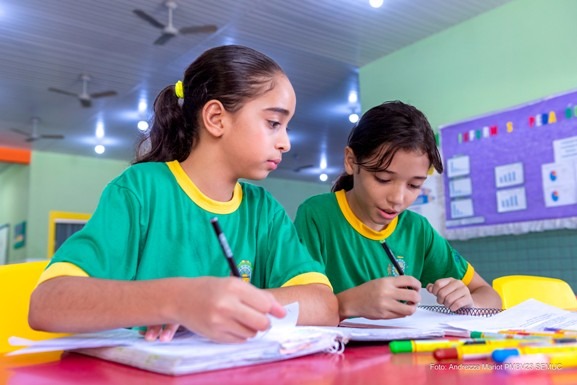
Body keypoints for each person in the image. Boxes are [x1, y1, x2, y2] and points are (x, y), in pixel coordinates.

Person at [29, 45, 338, 343]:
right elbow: (47, 304)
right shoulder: (141, 189)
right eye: (273, 123)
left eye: (286, 126)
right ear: (216, 118)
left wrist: (226, 305)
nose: (286, 143)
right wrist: (178, 299)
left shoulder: (264, 211)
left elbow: (324, 305)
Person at [294, 101, 501, 321]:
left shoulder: (417, 230)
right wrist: (350, 303)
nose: (398, 199)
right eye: (383, 179)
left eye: (414, 185)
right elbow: (298, 308)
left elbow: (490, 296)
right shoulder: (317, 215)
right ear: (351, 161)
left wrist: (470, 303)